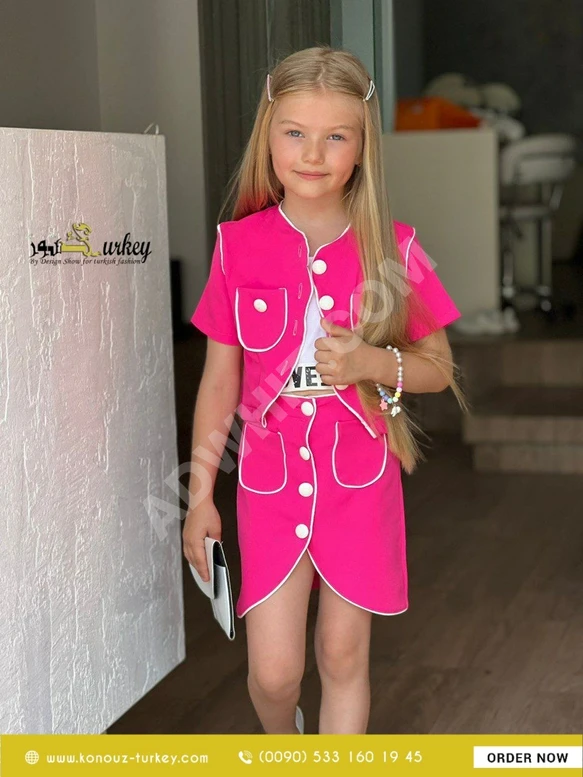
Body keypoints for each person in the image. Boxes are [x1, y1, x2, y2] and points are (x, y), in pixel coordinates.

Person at [183, 45, 469, 736]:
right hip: (269, 485)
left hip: (360, 483)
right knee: (273, 675)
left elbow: (439, 368)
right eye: (295, 133)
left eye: (336, 136)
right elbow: (219, 380)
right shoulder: (235, 246)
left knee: (343, 656)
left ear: (363, 146)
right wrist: (199, 498)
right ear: (268, 135)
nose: (312, 154)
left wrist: (372, 361)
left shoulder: (395, 250)